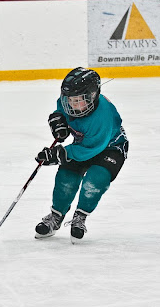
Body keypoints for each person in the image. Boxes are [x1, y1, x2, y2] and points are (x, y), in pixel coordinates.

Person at [34, 67, 128, 243]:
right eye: (70, 100)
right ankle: (56, 216)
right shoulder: (68, 101)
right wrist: (59, 122)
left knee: (95, 180)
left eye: (78, 100)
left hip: (110, 148)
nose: (72, 105)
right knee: (65, 177)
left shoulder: (103, 117)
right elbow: (61, 109)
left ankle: (80, 217)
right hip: (84, 143)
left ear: (92, 96)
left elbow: (88, 149)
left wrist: (59, 154)